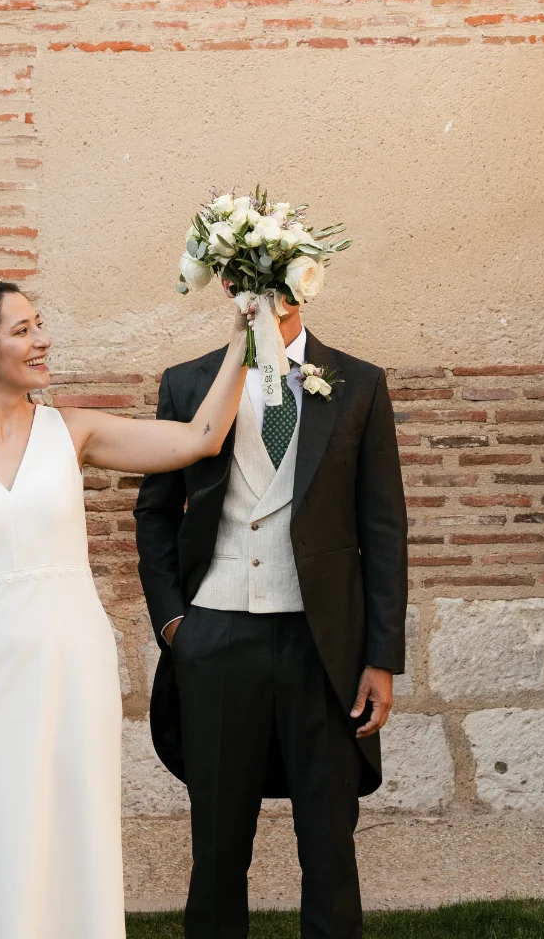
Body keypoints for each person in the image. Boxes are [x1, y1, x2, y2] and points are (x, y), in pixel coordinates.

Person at [0, 278, 251, 939]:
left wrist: (244, 333)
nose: (42, 339)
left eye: (40, 324)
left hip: (70, 667)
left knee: (71, 835)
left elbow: (200, 437)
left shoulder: (73, 432)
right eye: (22, 330)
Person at [135, 278, 408, 939]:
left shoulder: (360, 384)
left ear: (304, 285)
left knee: (329, 846)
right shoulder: (186, 382)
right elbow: (155, 516)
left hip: (326, 648)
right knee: (218, 848)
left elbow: (383, 528)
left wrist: (381, 655)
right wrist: (176, 621)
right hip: (217, 636)